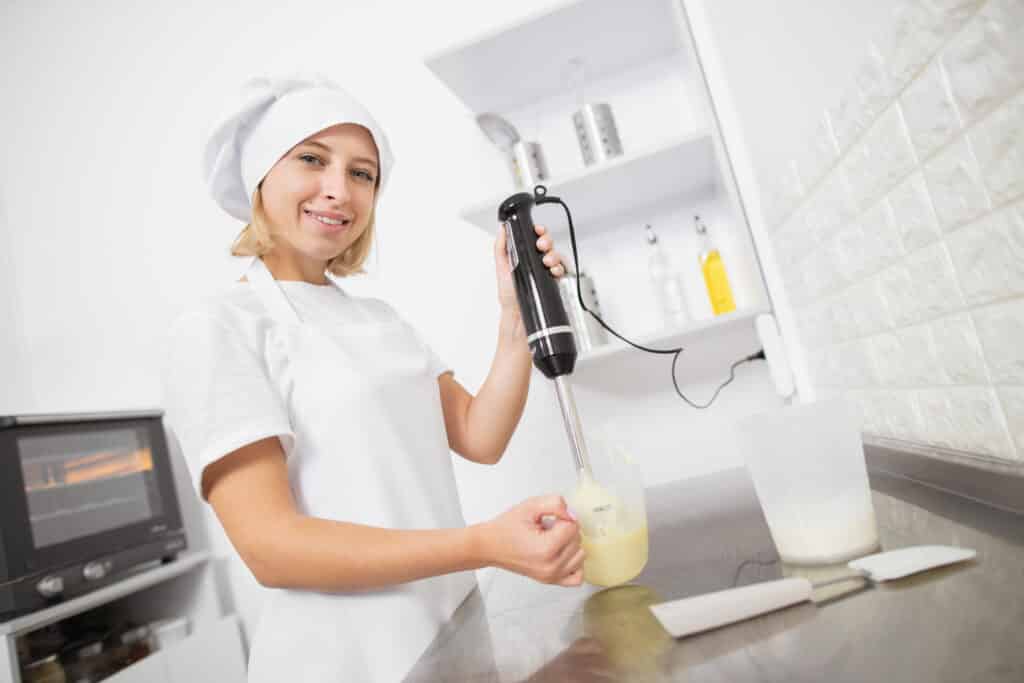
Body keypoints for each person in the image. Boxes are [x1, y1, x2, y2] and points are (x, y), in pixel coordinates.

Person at [162, 75, 584, 682]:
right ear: (261, 176)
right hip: (343, 664)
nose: (339, 190)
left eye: (362, 174)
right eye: (312, 159)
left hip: (449, 639)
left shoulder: (378, 319)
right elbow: (272, 547)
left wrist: (515, 315)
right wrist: (483, 544)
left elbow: (478, 435)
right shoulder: (217, 329)